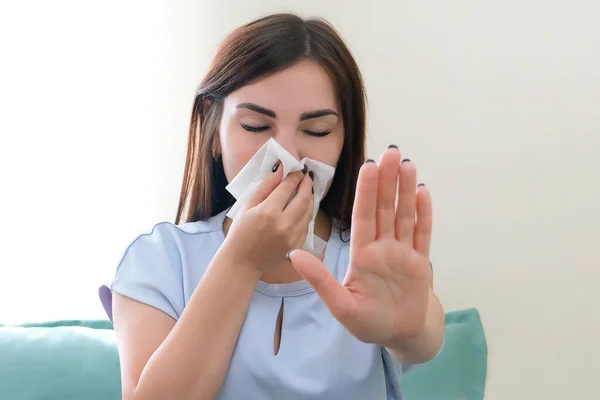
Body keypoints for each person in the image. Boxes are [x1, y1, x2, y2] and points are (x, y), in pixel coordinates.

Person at [99, 12, 445, 400]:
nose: (288, 157)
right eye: (255, 126)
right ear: (214, 134)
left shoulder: (370, 259)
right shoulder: (159, 260)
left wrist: (408, 330)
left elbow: (422, 338)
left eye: (317, 131)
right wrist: (241, 261)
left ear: (344, 140)